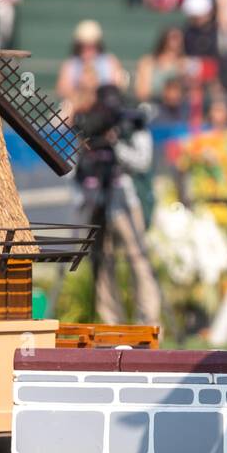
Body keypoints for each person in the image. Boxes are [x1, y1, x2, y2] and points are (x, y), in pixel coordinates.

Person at [75, 85, 162, 326]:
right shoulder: (92, 124)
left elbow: (142, 162)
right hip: (99, 199)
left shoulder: (132, 125)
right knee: (101, 260)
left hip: (125, 200)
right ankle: (110, 322)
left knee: (138, 258)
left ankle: (149, 321)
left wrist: (116, 145)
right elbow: (81, 167)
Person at [56, 20, 128, 120]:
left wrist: (94, 91)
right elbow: (62, 90)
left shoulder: (110, 61)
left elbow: (117, 88)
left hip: (103, 110)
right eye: (84, 45)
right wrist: (83, 92)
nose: (88, 48)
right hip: (75, 108)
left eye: (91, 44)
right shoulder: (71, 64)